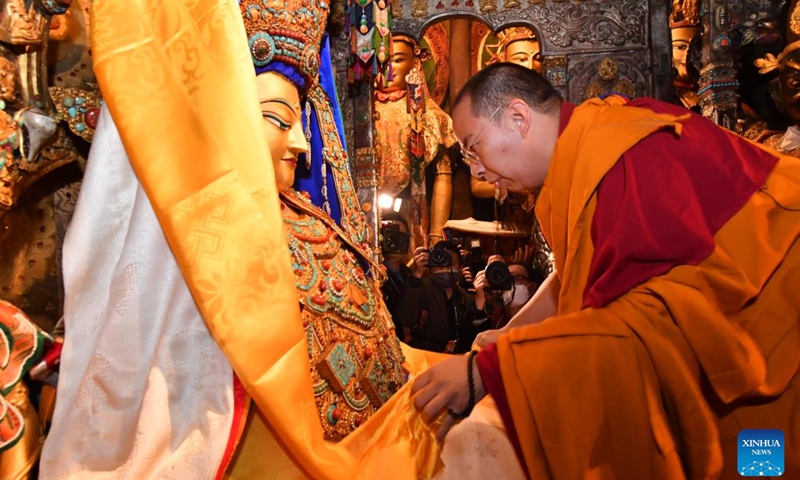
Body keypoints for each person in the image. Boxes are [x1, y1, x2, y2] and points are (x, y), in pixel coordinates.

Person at [41, 2, 525, 479]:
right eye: (276, 119)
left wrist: (480, 367)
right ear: (219, 120)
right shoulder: (197, 245)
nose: (301, 144)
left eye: (299, 122)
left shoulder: (309, 218)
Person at [412, 63, 800, 478]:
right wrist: (508, 337)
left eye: (473, 148)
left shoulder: (626, 155)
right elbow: (577, 274)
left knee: (761, 464)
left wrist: (488, 371)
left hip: (775, 340)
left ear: (518, 117)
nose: (476, 170)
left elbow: (645, 326)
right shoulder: (583, 152)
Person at [374, 35, 455, 247]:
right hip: (367, 209)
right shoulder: (362, 111)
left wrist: (437, 235)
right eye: (382, 62)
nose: (388, 71)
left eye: (398, 60)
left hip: (412, 215)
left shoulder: (432, 116)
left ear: (416, 63)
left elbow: (443, 174)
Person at [394, 241, 482, 353]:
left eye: (450, 263)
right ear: (430, 266)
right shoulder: (419, 289)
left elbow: (476, 340)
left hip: (457, 364)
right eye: (440, 262)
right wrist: (416, 275)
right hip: (426, 363)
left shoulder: (467, 299)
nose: (445, 268)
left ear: (460, 267)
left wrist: (480, 306)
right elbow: (405, 318)